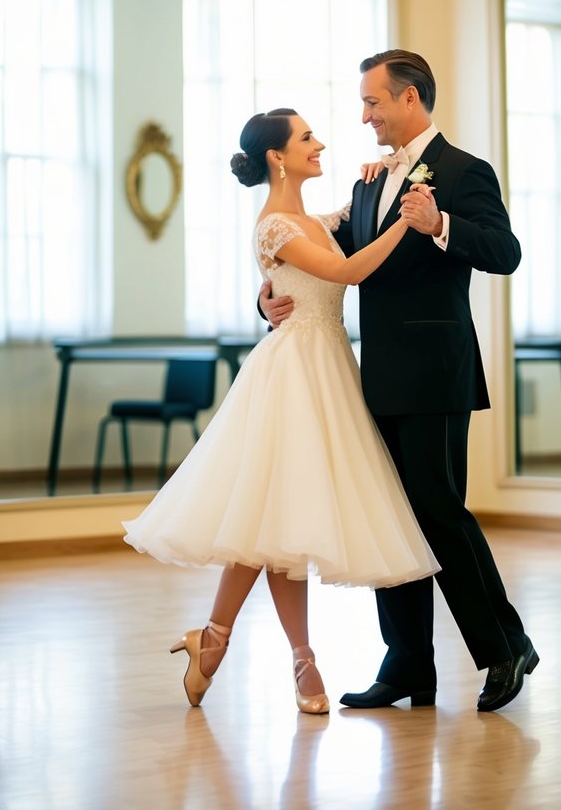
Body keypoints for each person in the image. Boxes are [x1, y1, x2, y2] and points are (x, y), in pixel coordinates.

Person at [123, 108, 439, 716]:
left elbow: (344, 227)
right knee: (272, 520)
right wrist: (407, 223)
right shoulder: (274, 224)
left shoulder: (312, 221)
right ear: (278, 156)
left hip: (327, 370)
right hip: (293, 374)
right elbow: (347, 270)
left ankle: (220, 644)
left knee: (278, 526)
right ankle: (281, 655)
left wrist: (378, 181)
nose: (320, 144)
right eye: (307, 138)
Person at [260, 52, 538, 713]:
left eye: (372, 102)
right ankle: (408, 664)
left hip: (437, 372)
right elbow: (318, 260)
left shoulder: (466, 172)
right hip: (374, 377)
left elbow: (505, 253)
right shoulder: (366, 184)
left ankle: (504, 649)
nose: (363, 116)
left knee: (439, 513)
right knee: (392, 516)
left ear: (408, 99)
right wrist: (268, 300)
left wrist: (438, 223)